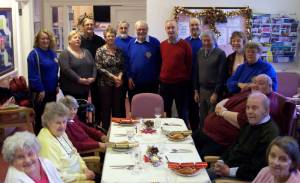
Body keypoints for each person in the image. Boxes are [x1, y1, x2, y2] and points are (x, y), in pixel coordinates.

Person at [193, 74, 295, 157]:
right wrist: (220, 105)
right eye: (254, 82)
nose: (255, 85)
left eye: (260, 83)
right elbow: (229, 99)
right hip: (207, 131)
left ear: (270, 86)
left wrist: (223, 113)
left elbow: (244, 121)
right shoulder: (250, 92)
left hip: (219, 140)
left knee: (193, 162)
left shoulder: (266, 102)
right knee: (183, 146)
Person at [208, 92, 279, 181]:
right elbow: (234, 146)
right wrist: (221, 161)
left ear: (266, 110)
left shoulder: (270, 135)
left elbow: (257, 170)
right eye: (247, 107)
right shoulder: (250, 123)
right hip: (225, 169)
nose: (249, 112)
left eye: (254, 108)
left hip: (239, 178)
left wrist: (228, 171)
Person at [38, 102, 99, 183]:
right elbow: (56, 176)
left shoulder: (60, 132)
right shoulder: (46, 143)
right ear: (48, 122)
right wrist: (84, 176)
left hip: (82, 174)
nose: (62, 126)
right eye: (58, 123)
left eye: (64, 122)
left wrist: (85, 168)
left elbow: (74, 153)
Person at [160, 19, 192, 124]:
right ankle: (166, 135)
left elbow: (189, 64)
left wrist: (184, 79)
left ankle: (185, 137)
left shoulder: (185, 45)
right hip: (165, 85)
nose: (171, 30)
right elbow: (160, 63)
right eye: (168, 28)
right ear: (165, 29)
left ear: (177, 29)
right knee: (165, 112)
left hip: (180, 85)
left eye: (173, 27)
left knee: (182, 112)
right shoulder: (162, 45)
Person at [27, 29, 59, 134]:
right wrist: (40, 89)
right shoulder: (33, 54)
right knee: (41, 119)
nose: (45, 41)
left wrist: (57, 84)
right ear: (38, 40)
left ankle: (50, 140)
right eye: (43, 38)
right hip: (41, 94)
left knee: (51, 118)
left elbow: (55, 71)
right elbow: (33, 75)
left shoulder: (52, 53)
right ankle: (40, 143)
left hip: (52, 92)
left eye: (47, 38)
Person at [193, 30, 227, 129]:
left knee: (212, 119)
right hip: (202, 91)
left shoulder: (220, 54)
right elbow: (196, 72)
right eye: (204, 40)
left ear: (214, 40)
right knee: (202, 118)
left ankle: (211, 141)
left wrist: (216, 93)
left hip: (214, 92)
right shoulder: (199, 52)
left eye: (209, 40)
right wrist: (196, 91)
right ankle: (202, 140)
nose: (206, 43)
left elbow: (222, 75)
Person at [95, 26, 124, 130]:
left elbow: (122, 67)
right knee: (106, 109)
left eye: (112, 36)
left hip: (118, 84)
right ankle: (105, 131)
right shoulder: (100, 51)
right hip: (104, 84)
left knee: (117, 109)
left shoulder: (119, 51)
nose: (110, 38)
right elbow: (99, 67)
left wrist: (119, 77)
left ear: (115, 37)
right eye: (108, 36)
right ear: (105, 37)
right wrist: (113, 77)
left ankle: (117, 131)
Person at [78, 14, 105, 124]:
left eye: (91, 24)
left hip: (97, 76)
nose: (89, 26)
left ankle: (97, 123)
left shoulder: (100, 41)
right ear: (83, 26)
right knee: (82, 102)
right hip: (82, 76)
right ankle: (82, 125)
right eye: (87, 24)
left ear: (94, 26)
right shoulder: (78, 40)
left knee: (98, 101)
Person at [126, 20, 161, 102]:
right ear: (135, 30)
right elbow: (127, 61)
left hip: (151, 84)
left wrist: (159, 79)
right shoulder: (131, 43)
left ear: (147, 30)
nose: (141, 31)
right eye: (139, 29)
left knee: (151, 108)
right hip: (134, 83)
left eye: (143, 29)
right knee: (135, 109)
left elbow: (160, 61)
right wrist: (129, 77)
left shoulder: (155, 42)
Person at [58, 30, 96, 100]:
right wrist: (79, 79)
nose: (78, 39)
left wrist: (93, 78)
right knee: (73, 110)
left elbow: (93, 65)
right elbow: (66, 70)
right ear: (69, 40)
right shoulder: (64, 53)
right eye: (75, 37)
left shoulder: (87, 51)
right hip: (70, 89)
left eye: (79, 38)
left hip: (85, 87)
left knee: (83, 108)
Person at [184, 18, 201, 131]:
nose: (194, 27)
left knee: (197, 110)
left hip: (201, 80)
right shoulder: (185, 42)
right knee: (187, 107)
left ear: (200, 26)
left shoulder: (205, 41)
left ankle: (195, 132)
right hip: (187, 80)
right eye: (192, 25)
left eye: (196, 25)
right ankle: (185, 131)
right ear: (189, 27)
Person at [115, 20, 133, 117]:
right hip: (119, 76)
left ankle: (133, 119)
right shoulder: (114, 41)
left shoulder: (133, 41)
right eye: (121, 28)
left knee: (132, 99)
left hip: (130, 75)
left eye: (125, 28)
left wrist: (130, 76)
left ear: (128, 29)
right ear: (118, 29)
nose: (123, 30)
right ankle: (122, 121)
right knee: (120, 100)